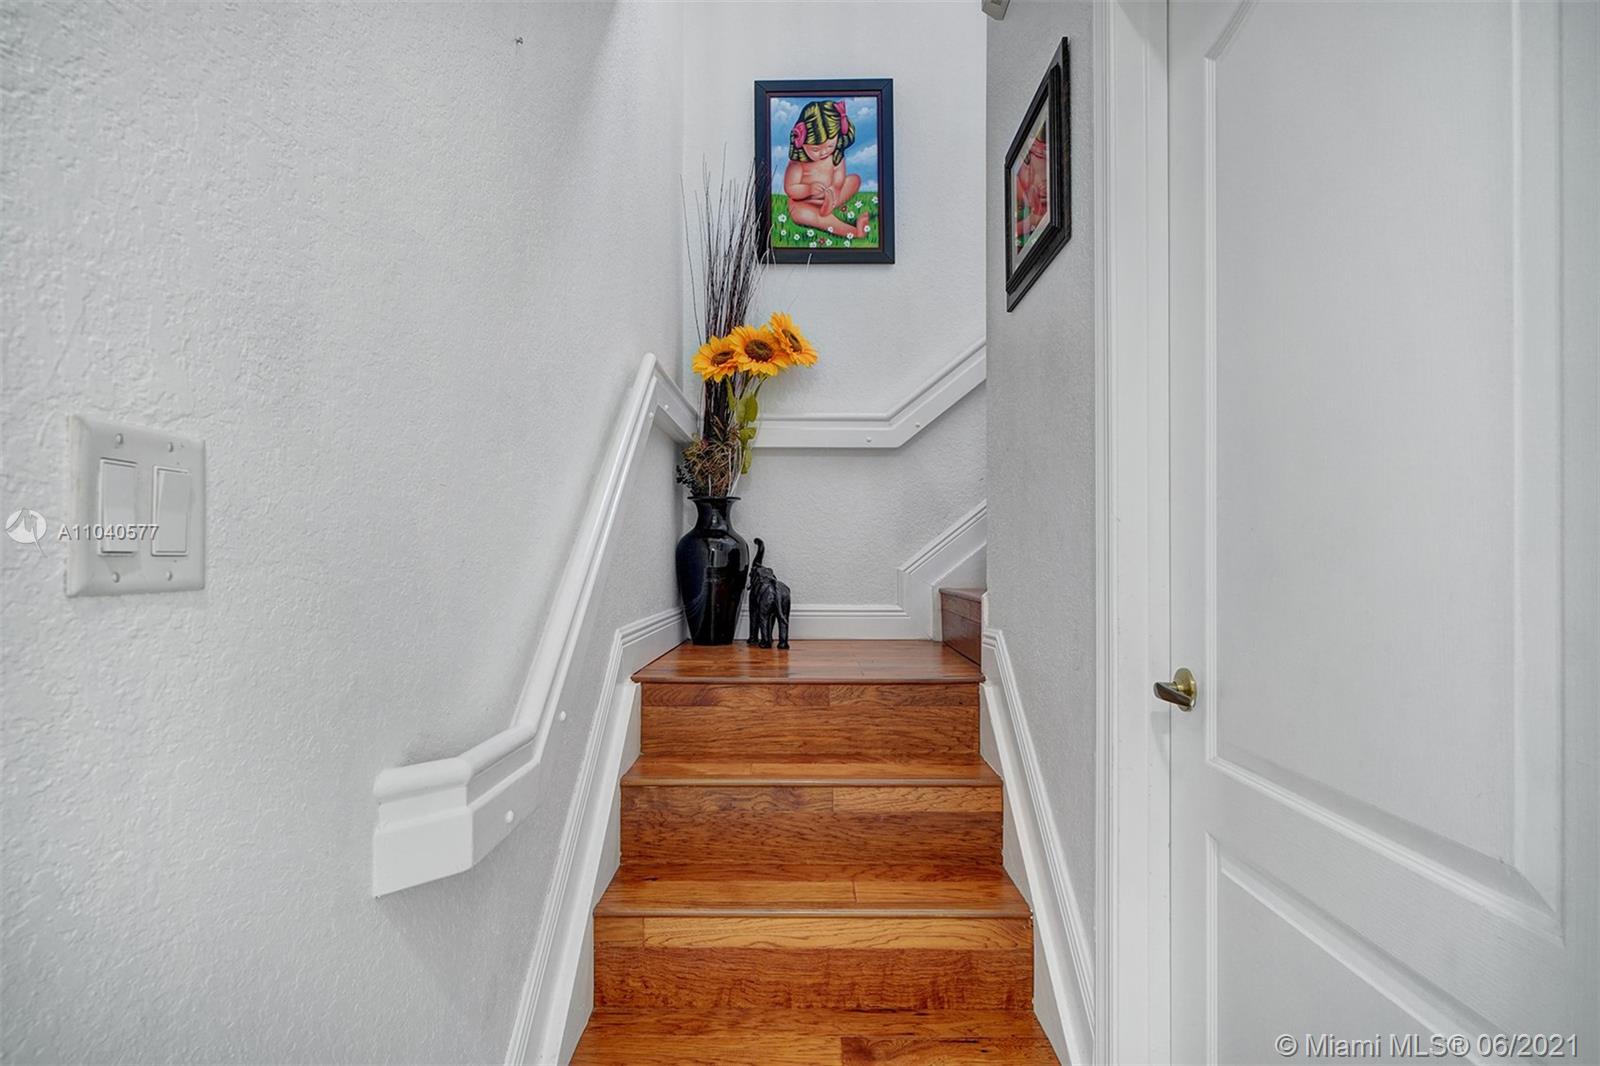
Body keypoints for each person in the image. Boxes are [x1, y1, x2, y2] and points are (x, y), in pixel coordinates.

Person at [783, 100, 872, 241]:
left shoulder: (835, 156)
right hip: (804, 203)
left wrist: (834, 188)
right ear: (801, 143)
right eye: (815, 149)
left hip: (829, 196)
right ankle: (855, 232)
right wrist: (808, 189)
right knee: (804, 214)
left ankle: (830, 205)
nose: (824, 152)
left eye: (830, 146)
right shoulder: (798, 163)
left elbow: (839, 176)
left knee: (854, 180)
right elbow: (790, 188)